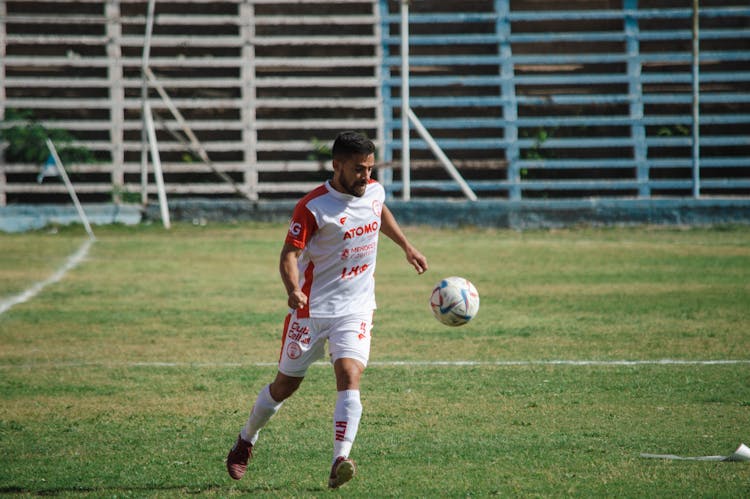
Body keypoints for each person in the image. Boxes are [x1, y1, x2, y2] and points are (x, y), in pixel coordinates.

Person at [226, 131, 428, 489]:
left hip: (357, 308)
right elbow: (289, 253)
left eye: (369, 168)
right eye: (357, 169)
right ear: (337, 166)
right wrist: (293, 291)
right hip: (312, 311)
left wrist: (407, 247)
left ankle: (340, 459)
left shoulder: (374, 191)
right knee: (284, 387)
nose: (365, 176)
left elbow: (378, 211)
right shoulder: (314, 206)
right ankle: (246, 439)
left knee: (349, 374)